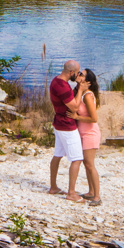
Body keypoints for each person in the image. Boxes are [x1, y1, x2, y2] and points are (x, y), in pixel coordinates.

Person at [47, 59, 85, 202]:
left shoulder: (56, 81)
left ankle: (53, 187)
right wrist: (80, 89)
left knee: (57, 154)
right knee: (77, 158)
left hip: (59, 123)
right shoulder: (62, 86)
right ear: (71, 72)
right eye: (77, 73)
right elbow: (74, 107)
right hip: (66, 125)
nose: (78, 75)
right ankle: (71, 193)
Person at [70, 67, 102, 206]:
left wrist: (77, 117)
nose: (78, 75)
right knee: (85, 163)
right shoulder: (79, 92)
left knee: (89, 164)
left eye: (81, 74)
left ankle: (97, 197)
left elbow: (94, 118)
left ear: (87, 81)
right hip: (82, 133)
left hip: (90, 133)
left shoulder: (87, 95)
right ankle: (90, 192)